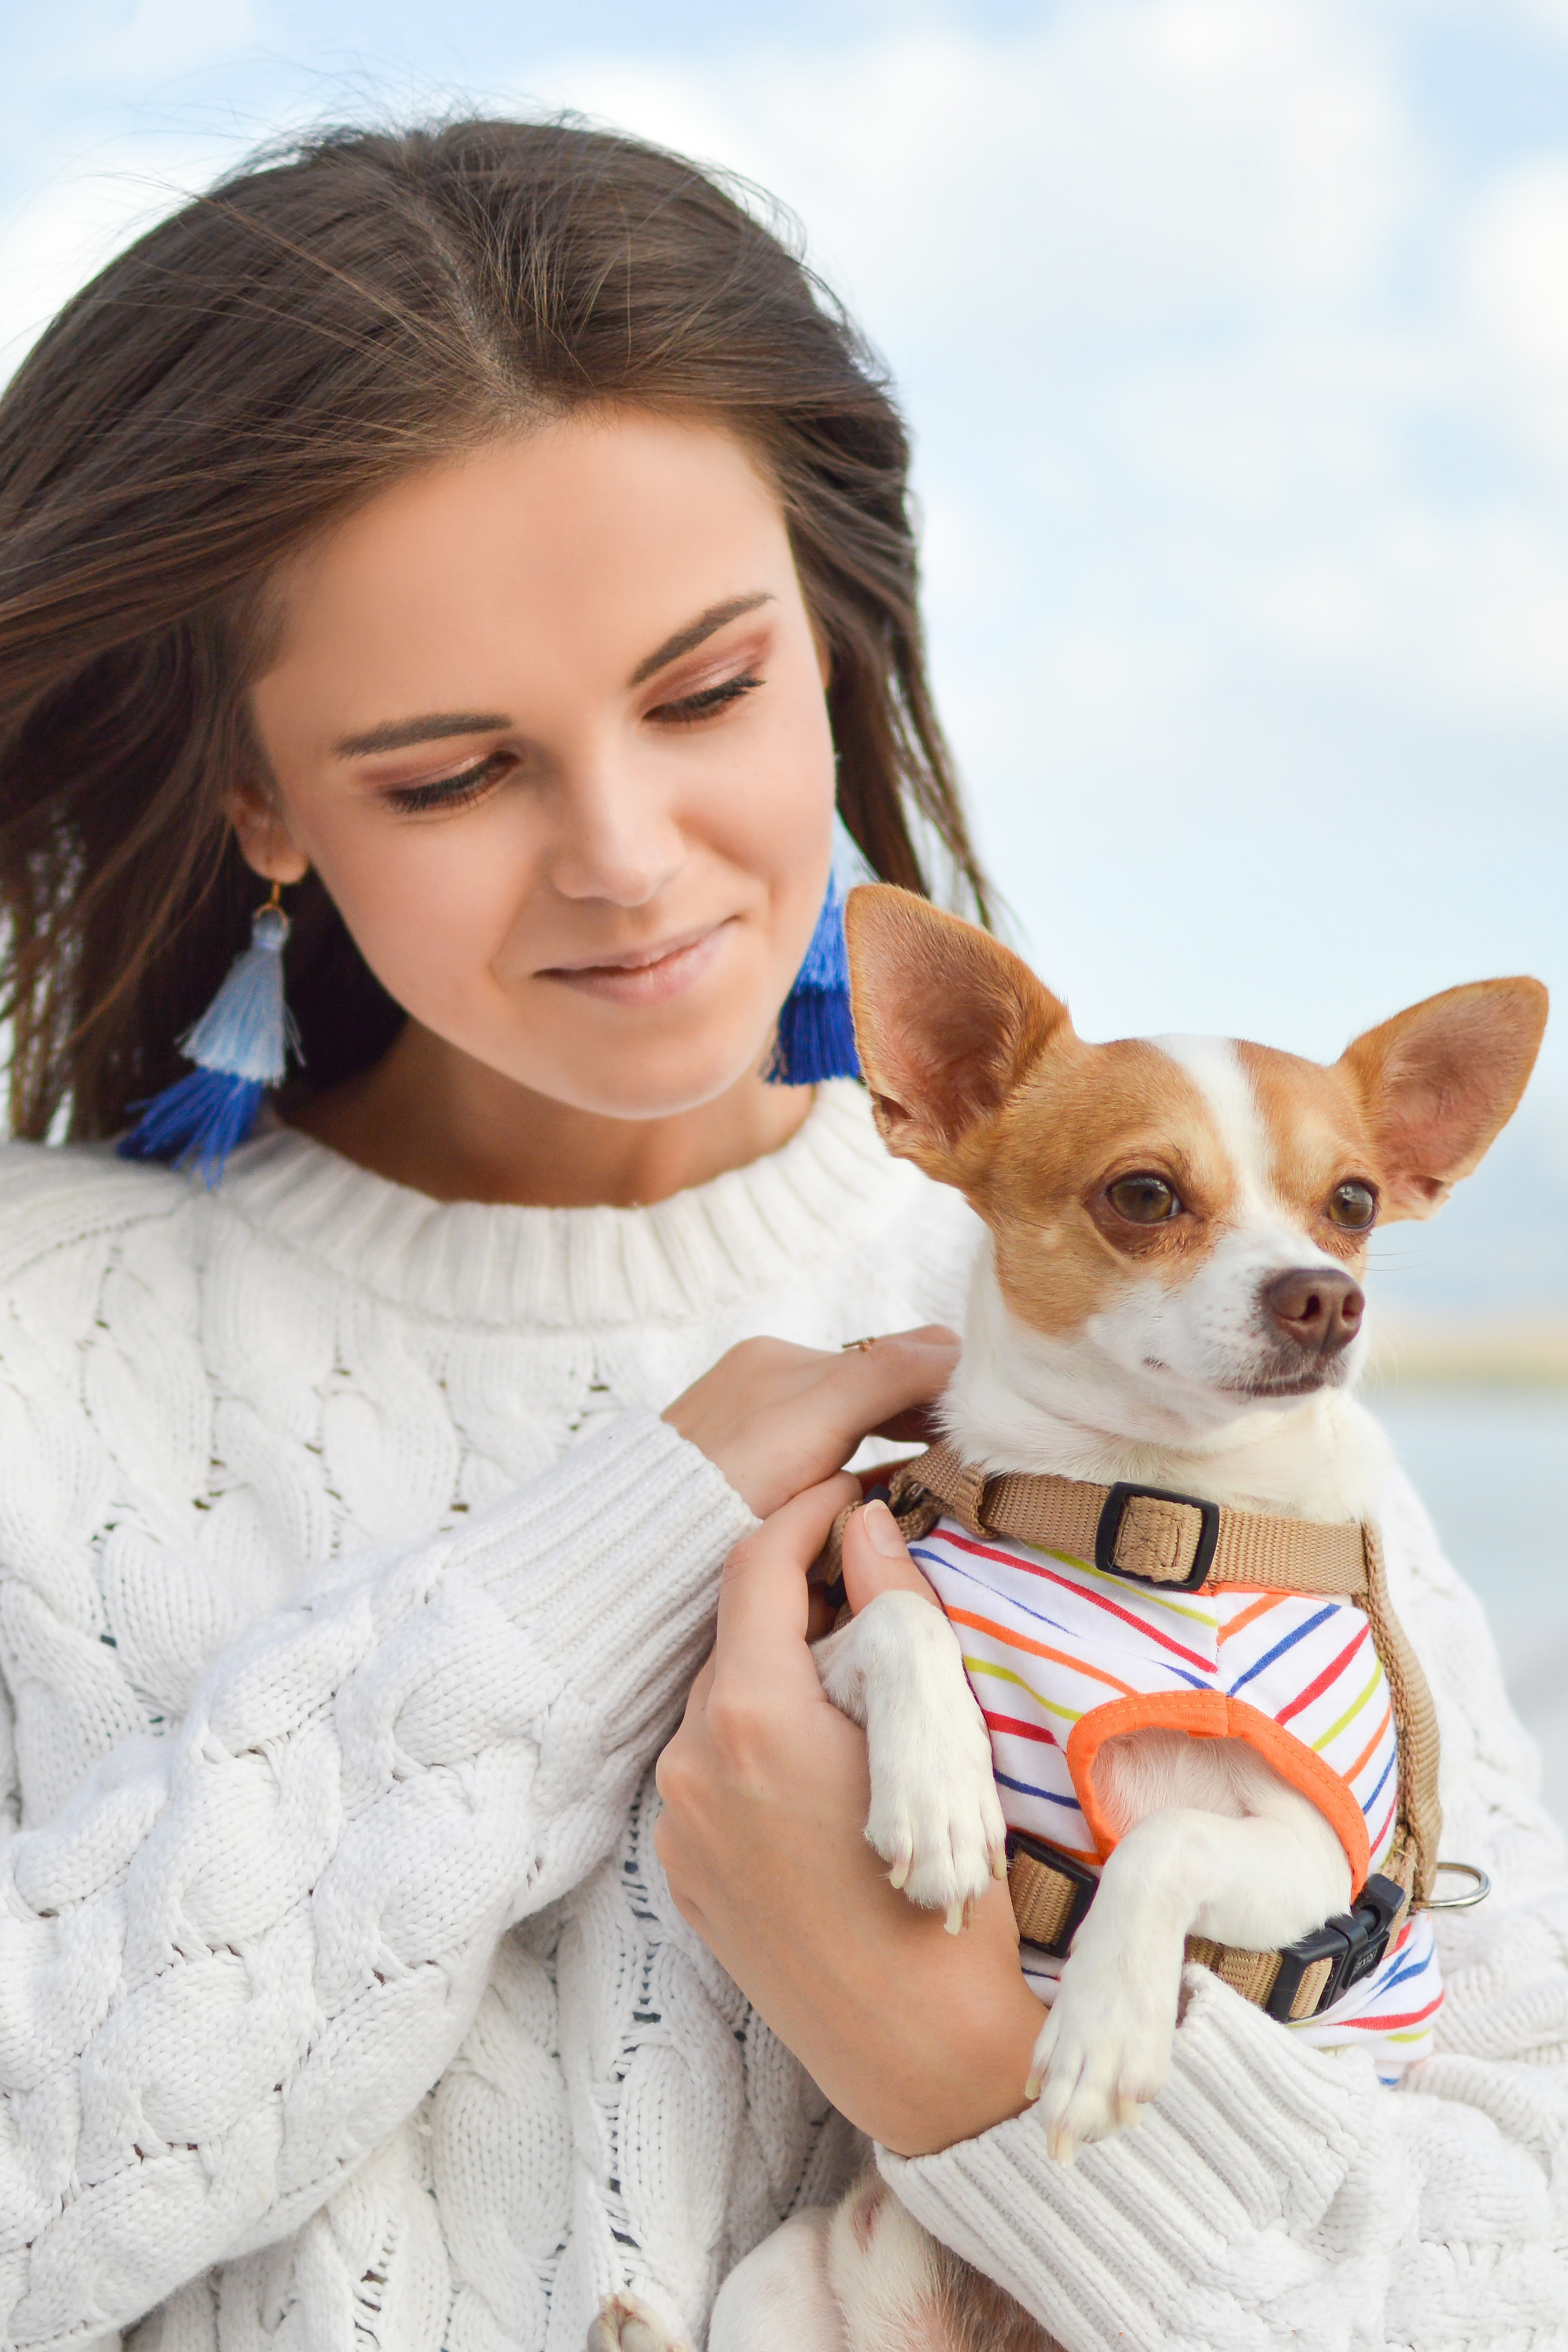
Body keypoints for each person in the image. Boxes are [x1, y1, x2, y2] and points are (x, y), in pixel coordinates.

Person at [0, 114, 1559, 2352]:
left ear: (833, 650)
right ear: (259, 802)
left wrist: (969, 2075)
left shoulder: (1193, 1366)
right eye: (450, 773)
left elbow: (1516, 2258)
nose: (627, 856)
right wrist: (581, 1586)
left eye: (709, 689)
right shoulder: (39, 1351)